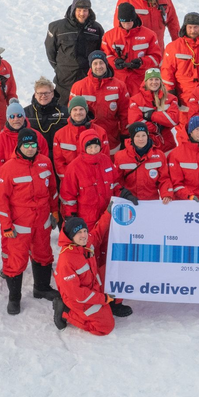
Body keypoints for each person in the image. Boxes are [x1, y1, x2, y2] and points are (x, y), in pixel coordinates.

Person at [60, 130, 136, 318]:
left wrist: (124, 194)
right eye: (90, 147)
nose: (94, 150)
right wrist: (71, 222)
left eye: (96, 146)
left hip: (109, 219)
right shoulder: (74, 167)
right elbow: (68, 198)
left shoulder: (106, 162)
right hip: (86, 226)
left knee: (112, 260)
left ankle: (114, 300)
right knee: (92, 264)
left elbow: (115, 184)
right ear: (83, 148)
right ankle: (93, 298)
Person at [0, 129, 59, 315]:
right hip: (19, 225)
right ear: (19, 146)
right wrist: (6, 225)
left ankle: (42, 288)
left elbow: (53, 190)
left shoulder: (45, 163)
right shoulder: (8, 168)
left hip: (42, 222)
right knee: (16, 260)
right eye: (26, 145)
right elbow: (0, 201)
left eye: (33, 145)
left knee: (44, 253)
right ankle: (14, 298)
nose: (30, 148)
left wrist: (55, 211)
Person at [53, 214, 115, 336]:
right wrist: (103, 298)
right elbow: (77, 294)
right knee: (106, 326)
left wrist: (109, 212)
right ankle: (66, 312)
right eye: (79, 233)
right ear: (71, 236)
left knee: (114, 270)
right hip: (78, 299)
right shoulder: (67, 259)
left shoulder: (84, 244)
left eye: (85, 231)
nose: (84, 235)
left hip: (92, 286)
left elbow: (98, 231)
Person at [160, 12, 199, 126]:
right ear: (185, 28)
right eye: (190, 27)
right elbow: (167, 73)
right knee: (184, 133)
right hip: (184, 100)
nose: (193, 30)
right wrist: (170, 94)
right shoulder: (173, 47)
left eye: (196, 27)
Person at [45, 0, 104, 105]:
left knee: (86, 106)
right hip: (65, 76)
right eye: (79, 10)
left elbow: (100, 52)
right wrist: (60, 68)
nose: (82, 14)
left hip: (87, 74)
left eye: (85, 10)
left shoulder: (96, 29)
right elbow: (50, 50)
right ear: (73, 9)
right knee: (63, 106)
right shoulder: (57, 27)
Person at [70, 50, 130, 154]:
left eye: (101, 63)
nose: (99, 66)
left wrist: (125, 134)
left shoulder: (119, 86)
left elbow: (125, 112)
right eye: (95, 63)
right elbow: (72, 114)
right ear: (90, 66)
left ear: (106, 64)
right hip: (87, 138)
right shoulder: (78, 86)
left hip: (111, 137)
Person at [102, 1, 162, 94]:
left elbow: (156, 58)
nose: (126, 25)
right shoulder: (109, 36)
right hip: (117, 82)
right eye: (123, 22)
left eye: (129, 22)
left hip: (140, 81)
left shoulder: (149, 35)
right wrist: (114, 62)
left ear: (134, 19)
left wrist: (141, 62)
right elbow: (104, 56)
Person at [113, 0, 180, 48]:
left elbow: (173, 22)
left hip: (158, 49)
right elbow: (118, 27)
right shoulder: (127, 0)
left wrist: (178, 44)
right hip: (136, 50)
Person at [52, 96, 110, 182]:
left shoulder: (100, 132)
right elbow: (59, 163)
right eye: (75, 109)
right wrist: (70, 180)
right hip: (70, 182)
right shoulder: (60, 135)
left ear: (86, 111)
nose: (78, 112)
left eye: (81, 109)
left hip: (94, 182)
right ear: (70, 112)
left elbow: (104, 159)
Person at [114, 122, 175, 204]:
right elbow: (116, 181)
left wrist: (166, 194)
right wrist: (124, 195)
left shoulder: (159, 155)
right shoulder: (120, 156)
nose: (141, 139)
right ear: (132, 138)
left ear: (147, 136)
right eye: (137, 136)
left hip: (151, 202)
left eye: (143, 135)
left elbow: (164, 179)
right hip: (129, 201)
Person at [0, 101, 50, 180]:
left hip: (34, 179)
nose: (16, 119)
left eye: (19, 116)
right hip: (11, 182)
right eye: (12, 116)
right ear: (8, 118)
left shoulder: (36, 135)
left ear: (24, 117)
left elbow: (44, 161)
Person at [128, 68, 179, 155]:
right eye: (150, 79)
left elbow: (173, 120)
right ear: (145, 82)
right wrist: (156, 127)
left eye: (156, 79)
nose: (154, 82)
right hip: (147, 144)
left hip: (168, 144)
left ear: (160, 81)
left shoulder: (171, 98)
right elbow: (135, 122)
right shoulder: (135, 100)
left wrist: (152, 115)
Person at [24, 76, 67, 154]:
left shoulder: (65, 112)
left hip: (59, 154)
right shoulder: (26, 113)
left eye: (46, 93)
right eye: (40, 93)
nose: (43, 96)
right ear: (35, 94)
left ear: (52, 94)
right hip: (35, 154)